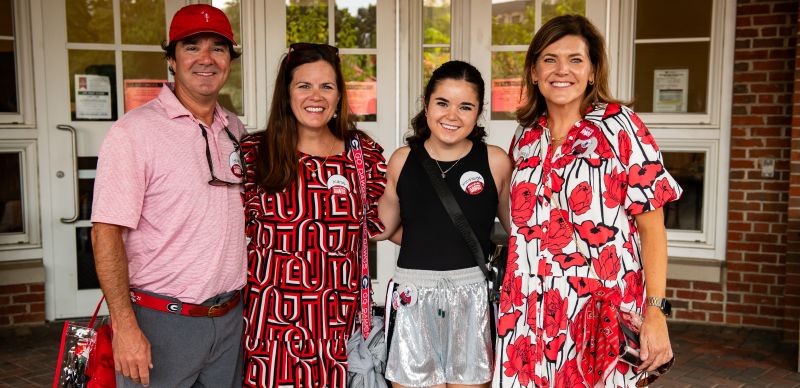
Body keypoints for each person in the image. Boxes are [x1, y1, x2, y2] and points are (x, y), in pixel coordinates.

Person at [493, 15, 681, 387]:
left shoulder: (621, 126)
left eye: (576, 60)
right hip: (528, 315)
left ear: (593, 72)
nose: (562, 70)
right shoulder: (525, 136)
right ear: (533, 72)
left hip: (598, 318)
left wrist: (656, 312)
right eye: (549, 59)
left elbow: (652, 227)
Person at [91, 4, 246, 387]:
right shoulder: (134, 132)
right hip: (161, 322)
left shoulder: (236, 130)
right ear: (172, 59)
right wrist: (125, 328)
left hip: (229, 320)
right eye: (192, 47)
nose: (206, 59)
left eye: (218, 48)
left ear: (230, 60)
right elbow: (105, 233)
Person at [240, 42, 387, 388]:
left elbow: (386, 223)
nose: (315, 96)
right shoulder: (254, 154)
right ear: (287, 94)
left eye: (327, 86)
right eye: (303, 85)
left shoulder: (362, 154)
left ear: (339, 96)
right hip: (270, 330)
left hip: (339, 328)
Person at [377, 60, 512, 388]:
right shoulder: (402, 160)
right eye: (442, 103)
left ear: (478, 111)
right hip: (413, 296)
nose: (452, 115)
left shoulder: (495, 161)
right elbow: (382, 227)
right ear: (426, 105)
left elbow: (520, 232)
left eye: (465, 106)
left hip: (472, 296)